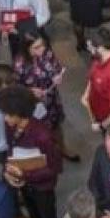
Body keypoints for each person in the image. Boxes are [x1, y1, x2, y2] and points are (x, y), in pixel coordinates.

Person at [0, 84, 61, 218]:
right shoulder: (10, 126)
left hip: (43, 187)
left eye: (8, 114)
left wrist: (25, 175)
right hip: (25, 184)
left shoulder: (42, 135)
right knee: (34, 214)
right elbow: (11, 150)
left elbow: (54, 168)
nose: (4, 117)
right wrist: (8, 170)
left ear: (20, 112)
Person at [13, 31, 72, 159]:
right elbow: (15, 88)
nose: (41, 49)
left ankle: (62, 148)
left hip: (51, 99)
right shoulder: (20, 64)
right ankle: (46, 154)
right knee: (40, 131)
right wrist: (30, 91)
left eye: (42, 45)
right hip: (33, 105)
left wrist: (57, 76)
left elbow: (56, 67)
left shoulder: (47, 54)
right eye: (36, 47)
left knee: (56, 126)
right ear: (27, 48)